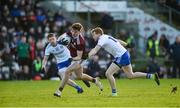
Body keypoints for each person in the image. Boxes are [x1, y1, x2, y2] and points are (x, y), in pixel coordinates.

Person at [88, 27, 160, 96]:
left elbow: (95, 50)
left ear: (98, 33)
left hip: (121, 56)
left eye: (93, 34)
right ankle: (152, 76)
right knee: (130, 75)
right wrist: (127, 45)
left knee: (108, 74)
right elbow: (118, 40)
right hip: (124, 54)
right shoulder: (106, 36)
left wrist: (87, 56)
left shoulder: (101, 39)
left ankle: (114, 93)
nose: (93, 36)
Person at [58, 23, 103, 90]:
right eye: (72, 31)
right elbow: (61, 37)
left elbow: (79, 57)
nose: (73, 33)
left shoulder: (80, 41)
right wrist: (58, 41)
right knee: (80, 76)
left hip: (81, 59)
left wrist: (70, 59)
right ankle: (95, 81)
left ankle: (59, 91)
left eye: (75, 32)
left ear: (79, 32)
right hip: (73, 56)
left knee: (67, 71)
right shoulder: (70, 33)